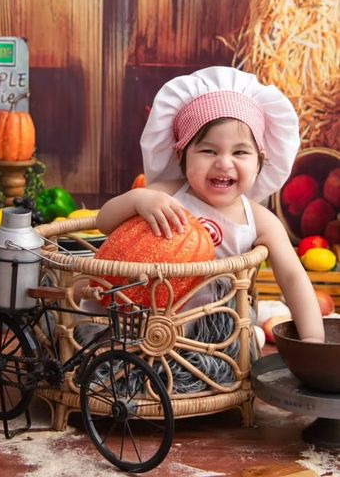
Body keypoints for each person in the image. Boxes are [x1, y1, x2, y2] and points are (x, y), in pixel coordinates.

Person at [97, 66, 324, 343]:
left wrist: (312, 340)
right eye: (208, 150)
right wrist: (139, 198)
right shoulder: (167, 195)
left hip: (216, 336)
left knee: (247, 340)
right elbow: (104, 222)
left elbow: (292, 277)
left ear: (260, 160)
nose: (224, 163)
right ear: (181, 153)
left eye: (240, 152)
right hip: (150, 324)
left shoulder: (259, 220)